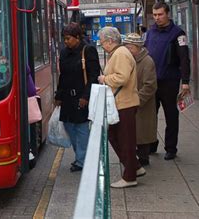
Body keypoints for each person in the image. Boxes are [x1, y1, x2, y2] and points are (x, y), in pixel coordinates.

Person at [97, 26, 143, 188]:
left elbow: (121, 78)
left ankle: (130, 176)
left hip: (125, 104)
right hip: (122, 103)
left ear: (110, 41)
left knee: (125, 140)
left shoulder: (121, 54)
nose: (101, 45)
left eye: (102, 41)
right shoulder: (118, 53)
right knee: (116, 136)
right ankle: (135, 167)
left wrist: (104, 78)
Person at [144, 2, 191, 160]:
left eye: (160, 14)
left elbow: (184, 58)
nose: (157, 18)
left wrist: (185, 81)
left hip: (169, 82)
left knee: (171, 116)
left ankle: (171, 148)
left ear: (168, 14)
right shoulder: (150, 33)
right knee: (150, 116)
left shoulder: (178, 33)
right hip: (151, 82)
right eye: (155, 15)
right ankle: (151, 144)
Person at [54, 22, 100, 172]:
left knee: (81, 128)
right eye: (64, 39)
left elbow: (93, 76)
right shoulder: (64, 52)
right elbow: (63, 75)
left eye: (68, 38)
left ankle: (82, 160)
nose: (66, 42)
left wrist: (86, 96)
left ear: (78, 37)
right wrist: (58, 95)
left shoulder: (88, 50)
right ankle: (81, 156)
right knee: (69, 126)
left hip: (81, 96)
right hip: (67, 97)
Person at [123, 33, 157, 166]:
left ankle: (144, 158)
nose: (128, 50)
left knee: (143, 132)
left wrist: (137, 101)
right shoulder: (130, 59)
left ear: (138, 47)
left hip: (141, 104)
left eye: (130, 48)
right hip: (132, 102)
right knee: (135, 132)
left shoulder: (147, 61)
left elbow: (150, 86)